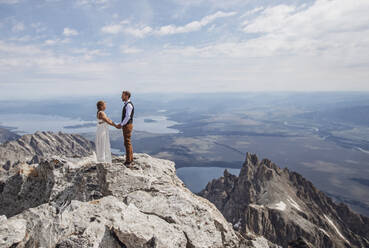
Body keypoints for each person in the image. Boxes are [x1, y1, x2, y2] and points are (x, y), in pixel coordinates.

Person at [116, 91, 134, 166]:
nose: (121, 97)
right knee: (127, 142)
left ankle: (128, 161)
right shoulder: (127, 105)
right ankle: (130, 158)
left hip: (127, 125)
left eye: (122, 96)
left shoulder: (128, 105)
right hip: (127, 125)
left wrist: (121, 124)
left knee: (127, 142)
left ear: (127, 96)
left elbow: (127, 117)